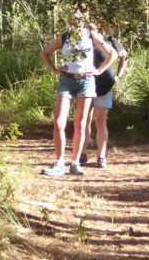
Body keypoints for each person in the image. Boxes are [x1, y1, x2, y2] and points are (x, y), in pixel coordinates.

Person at [39, 10, 118, 176]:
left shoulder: (91, 35)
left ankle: (75, 163)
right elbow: (45, 53)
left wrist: (99, 70)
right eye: (73, 18)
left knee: (80, 124)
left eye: (79, 19)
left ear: (85, 20)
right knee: (59, 122)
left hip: (86, 82)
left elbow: (113, 54)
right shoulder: (65, 36)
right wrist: (54, 69)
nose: (75, 21)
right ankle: (59, 162)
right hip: (66, 81)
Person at [84, 20, 129, 168]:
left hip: (104, 87)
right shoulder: (83, 41)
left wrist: (118, 76)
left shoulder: (110, 42)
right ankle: (82, 154)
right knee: (84, 120)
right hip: (85, 86)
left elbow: (124, 57)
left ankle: (101, 157)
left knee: (100, 121)